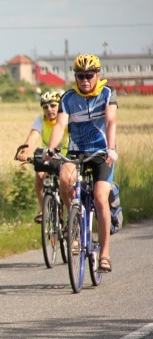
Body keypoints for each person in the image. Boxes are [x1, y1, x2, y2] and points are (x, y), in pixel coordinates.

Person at [46, 54, 118, 273]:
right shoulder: (68, 98)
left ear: (98, 75)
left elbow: (110, 121)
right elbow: (59, 126)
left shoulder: (107, 94)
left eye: (89, 75)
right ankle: (74, 221)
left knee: (99, 198)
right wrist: (51, 149)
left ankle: (104, 254)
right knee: (65, 180)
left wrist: (111, 148)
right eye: (80, 76)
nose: (85, 80)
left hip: (101, 153)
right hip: (76, 151)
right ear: (75, 77)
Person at [16, 92, 69, 223]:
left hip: (67, 156)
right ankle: (44, 210)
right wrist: (24, 151)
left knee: (67, 184)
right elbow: (33, 136)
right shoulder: (41, 120)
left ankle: (70, 218)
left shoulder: (66, 118)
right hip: (49, 156)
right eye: (45, 107)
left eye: (52, 105)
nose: (49, 109)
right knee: (39, 175)